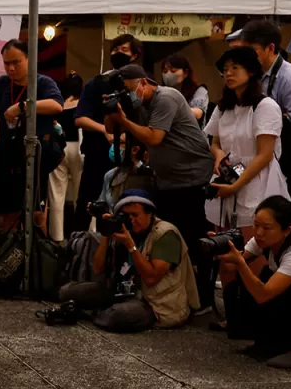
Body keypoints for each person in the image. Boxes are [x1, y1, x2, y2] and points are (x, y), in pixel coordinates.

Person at [106, 63, 216, 311]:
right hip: (167, 181)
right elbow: (110, 130)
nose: (128, 95)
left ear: (143, 83)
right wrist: (112, 111)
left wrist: (124, 119)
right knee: (169, 239)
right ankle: (173, 291)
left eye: (129, 90)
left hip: (191, 179)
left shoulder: (166, 97)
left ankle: (203, 298)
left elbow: (154, 137)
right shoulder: (138, 103)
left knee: (193, 238)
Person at [59, 190, 199, 331]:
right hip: (122, 290)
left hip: (154, 303)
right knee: (67, 292)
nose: (131, 220)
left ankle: (86, 312)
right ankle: (96, 311)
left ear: (149, 214)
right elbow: (97, 268)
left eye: (135, 215)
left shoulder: (166, 234)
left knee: (119, 315)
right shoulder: (122, 228)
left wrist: (130, 245)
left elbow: (151, 278)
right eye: (126, 215)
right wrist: (107, 233)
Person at [218, 196, 291, 368]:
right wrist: (221, 249)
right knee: (237, 288)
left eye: (267, 227)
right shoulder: (262, 240)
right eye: (256, 225)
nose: (259, 233)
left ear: (286, 230)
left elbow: (263, 294)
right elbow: (230, 268)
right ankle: (268, 343)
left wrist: (240, 263)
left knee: (267, 287)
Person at [205, 47, 290, 241]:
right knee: (224, 248)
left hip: (257, 181)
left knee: (253, 244)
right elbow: (215, 142)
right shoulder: (224, 106)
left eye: (235, 67)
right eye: (225, 69)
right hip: (227, 177)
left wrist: (237, 186)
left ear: (251, 71)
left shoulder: (265, 106)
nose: (228, 73)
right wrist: (218, 155)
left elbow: (264, 155)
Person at [0, 39, 64, 234]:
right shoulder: (2, 83)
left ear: (29, 59)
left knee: (37, 215)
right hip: (6, 156)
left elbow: (57, 106)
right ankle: (10, 257)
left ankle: (38, 258)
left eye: (16, 62)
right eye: (6, 63)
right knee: (5, 216)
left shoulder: (42, 82)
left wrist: (23, 106)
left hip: (34, 157)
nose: (11, 68)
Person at [75, 35, 142, 235]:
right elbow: (80, 119)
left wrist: (127, 136)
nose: (118, 53)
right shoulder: (97, 83)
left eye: (124, 49)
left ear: (135, 55)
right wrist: (106, 131)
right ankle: (76, 247)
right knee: (87, 203)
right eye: (115, 49)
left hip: (129, 157)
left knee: (126, 206)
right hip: (97, 153)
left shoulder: (140, 85)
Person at [233, 19, 291, 131]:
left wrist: (269, 119)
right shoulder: (251, 71)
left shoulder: (289, 76)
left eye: (252, 50)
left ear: (271, 48)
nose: (245, 55)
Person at [47, 72, 84, 243]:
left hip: (59, 149)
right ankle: (82, 234)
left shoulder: (57, 105)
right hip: (79, 149)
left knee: (56, 194)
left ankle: (56, 235)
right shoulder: (83, 104)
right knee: (81, 194)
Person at [162, 55, 209, 122]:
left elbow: (198, 114)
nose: (168, 74)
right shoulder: (161, 94)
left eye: (173, 70)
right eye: (165, 71)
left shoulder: (199, 91)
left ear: (186, 72)